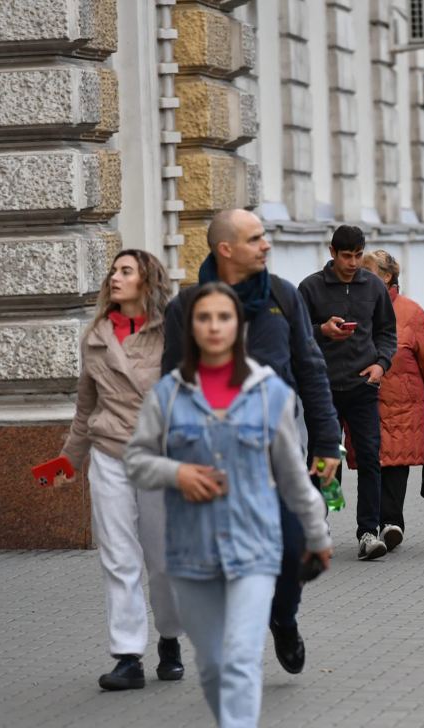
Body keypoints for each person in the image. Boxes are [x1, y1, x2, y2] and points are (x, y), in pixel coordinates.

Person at [127, 282, 333, 728]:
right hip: (191, 554)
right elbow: (137, 461)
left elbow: (292, 476)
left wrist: (316, 534)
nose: (214, 326)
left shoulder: (270, 394)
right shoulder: (169, 395)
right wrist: (177, 472)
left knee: (242, 659)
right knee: (215, 666)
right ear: (191, 329)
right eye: (204, 318)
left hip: (254, 548)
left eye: (224, 317)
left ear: (239, 328)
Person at [162, 208, 340, 678]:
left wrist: (327, 443)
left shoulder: (283, 296)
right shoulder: (186, 309)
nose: (267, 245)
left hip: (276, 455)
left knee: (293, 545)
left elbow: (311, 368)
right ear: (226, 250)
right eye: (256, 238)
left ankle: (283, 618)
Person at [44, 249, 183, 690]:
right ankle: (127, 655)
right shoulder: (97, 336)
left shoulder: (171, 335)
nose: (115, 277)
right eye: (114, 271)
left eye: (126, 270)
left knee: (161, 561)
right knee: (119, 559)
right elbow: (86, 407)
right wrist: (70, 456)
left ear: (148, 280)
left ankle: (170, 637)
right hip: (108, 455)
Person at [299, 225, 399, 561]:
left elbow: (387, 331)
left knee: (371, 456)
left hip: (362, 386)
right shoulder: (311, 288)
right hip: (322, 388)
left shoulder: (373, 286)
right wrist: (322, 331)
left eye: (358, 255)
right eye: (346, 255)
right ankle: (317, 527)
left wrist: (381, 365)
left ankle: (368, 532)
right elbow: (295, 335)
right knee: (323, 459)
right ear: (332, 252)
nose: (353, 262)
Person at [356, 249, 424, 551]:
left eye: (368, 270)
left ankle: (391, 524)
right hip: (364, 402)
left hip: (402, 406)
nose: (361, 275)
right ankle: (369, 529)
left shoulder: (411, 313)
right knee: (371, 464)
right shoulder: (354, 309)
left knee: (395, 465)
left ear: (387, 276)